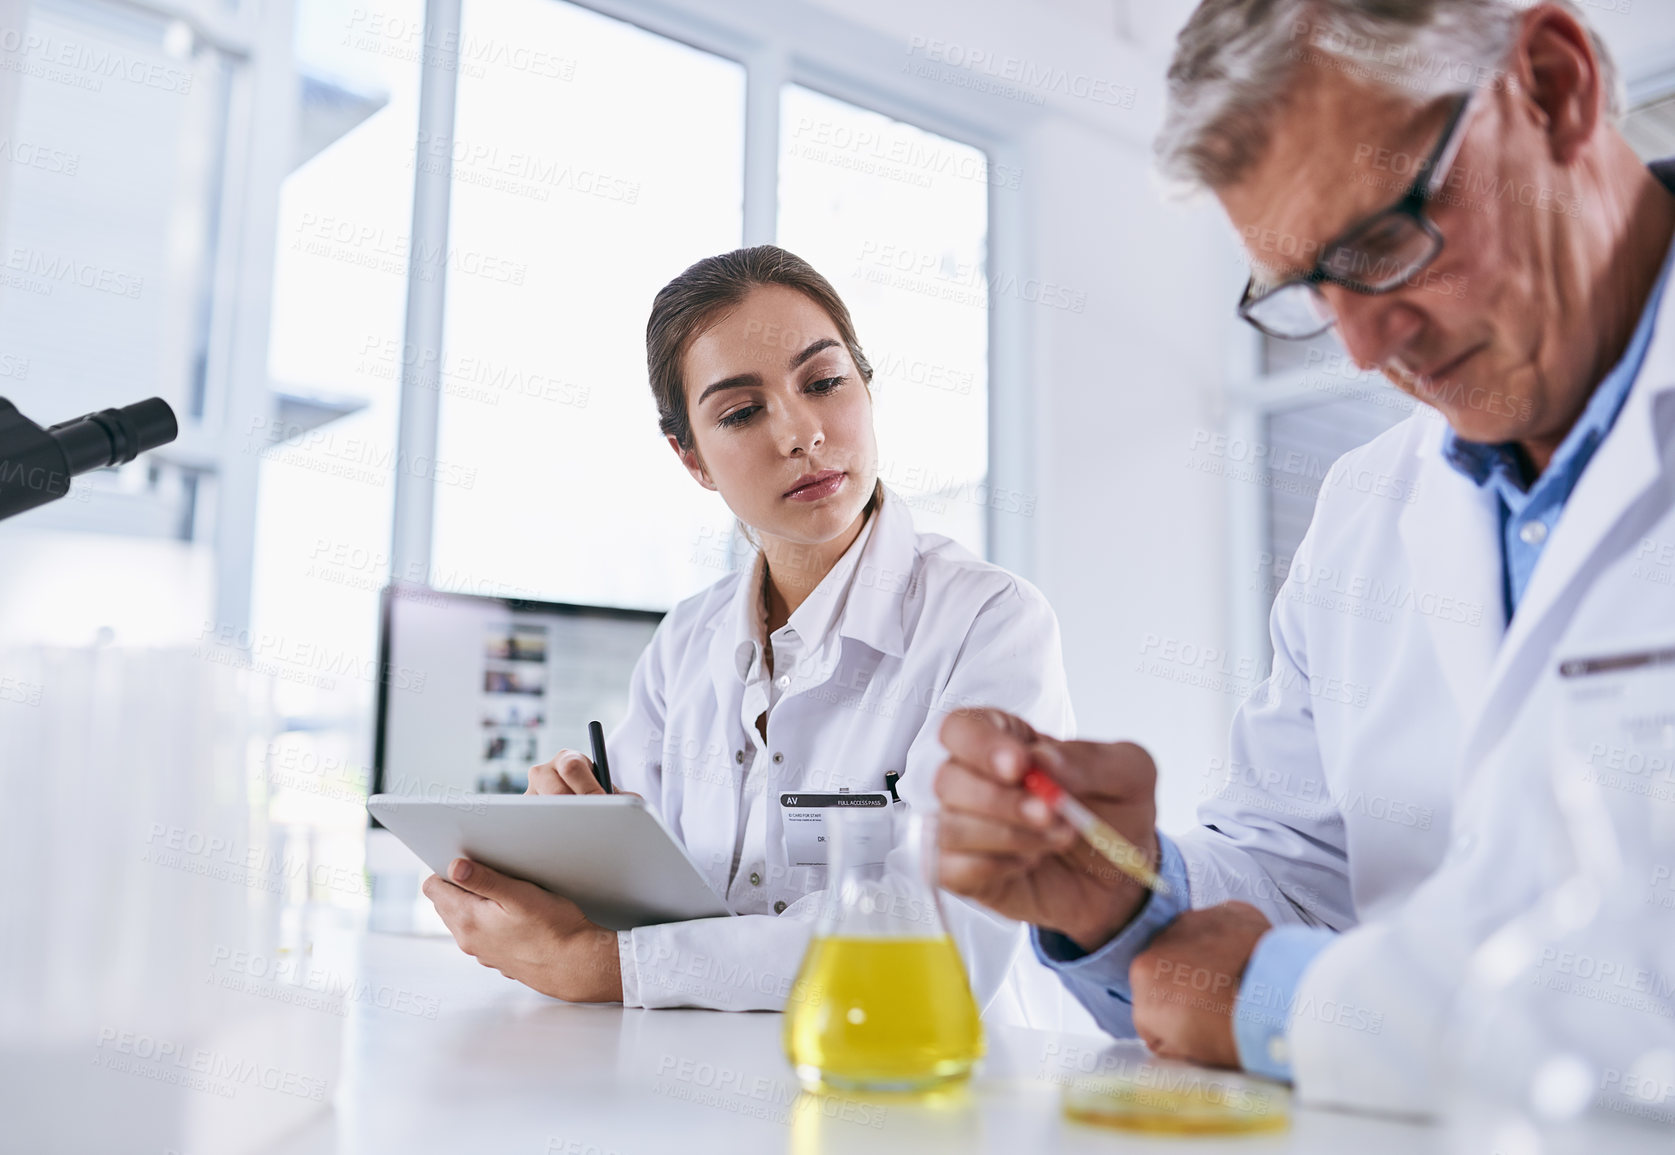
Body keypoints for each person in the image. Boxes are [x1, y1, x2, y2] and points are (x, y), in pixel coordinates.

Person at [934, 0, 1675, 1117]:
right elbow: (1305, 865)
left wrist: (1293, 1004)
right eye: (1305, 290)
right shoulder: (1371, 503)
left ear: (1555, 87)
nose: (1367, 347)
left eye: (1381, 242)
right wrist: (1127, 902)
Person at [423, 245, 1078, 1016]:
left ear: (865, 388)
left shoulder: (989, 621)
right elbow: (639, 908)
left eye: (825, 382)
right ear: (691, 457)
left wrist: (611, 967)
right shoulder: (685, 642)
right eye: (741, 412)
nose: (801, 434)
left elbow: (942, 934)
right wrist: (567, 859)